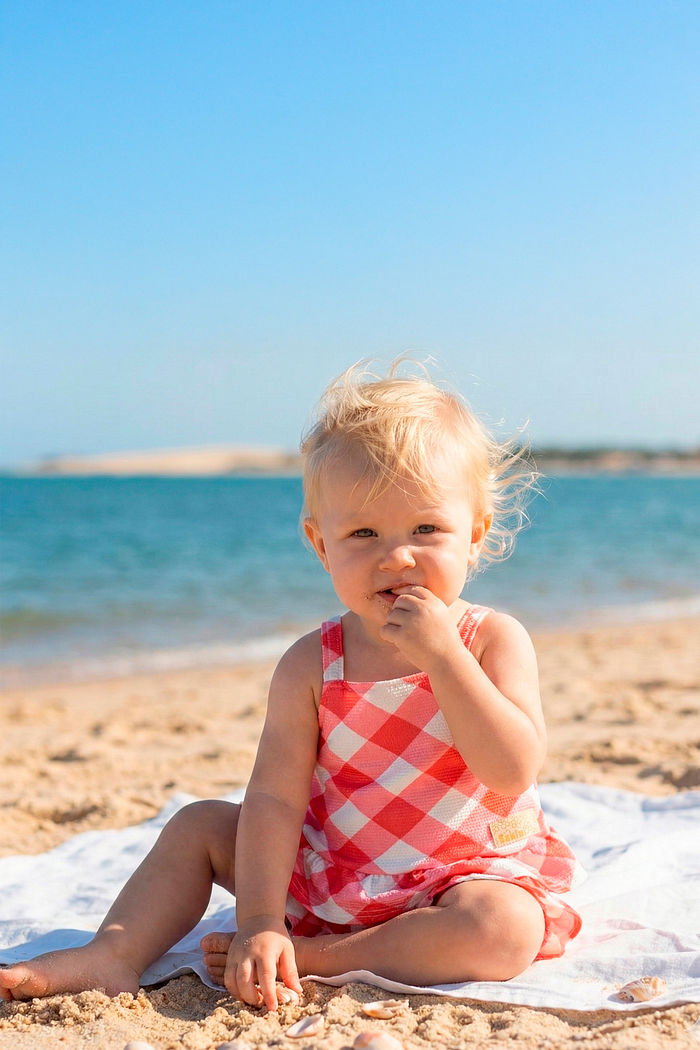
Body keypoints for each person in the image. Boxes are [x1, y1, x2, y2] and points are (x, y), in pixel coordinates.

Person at [0, 358, 582, 1011]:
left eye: (426, 529)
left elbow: (510, 769)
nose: (397, 556)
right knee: (198, 825)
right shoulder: (313, 663)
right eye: (363, 533)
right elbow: (276, 798)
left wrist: (444, 657)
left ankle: (320, 958)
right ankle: (114, 953)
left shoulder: (491, 640)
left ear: (473, 534)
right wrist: (258, 919)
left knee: (505, 932)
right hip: (334, 868)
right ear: (319, 544)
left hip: (460, 875)